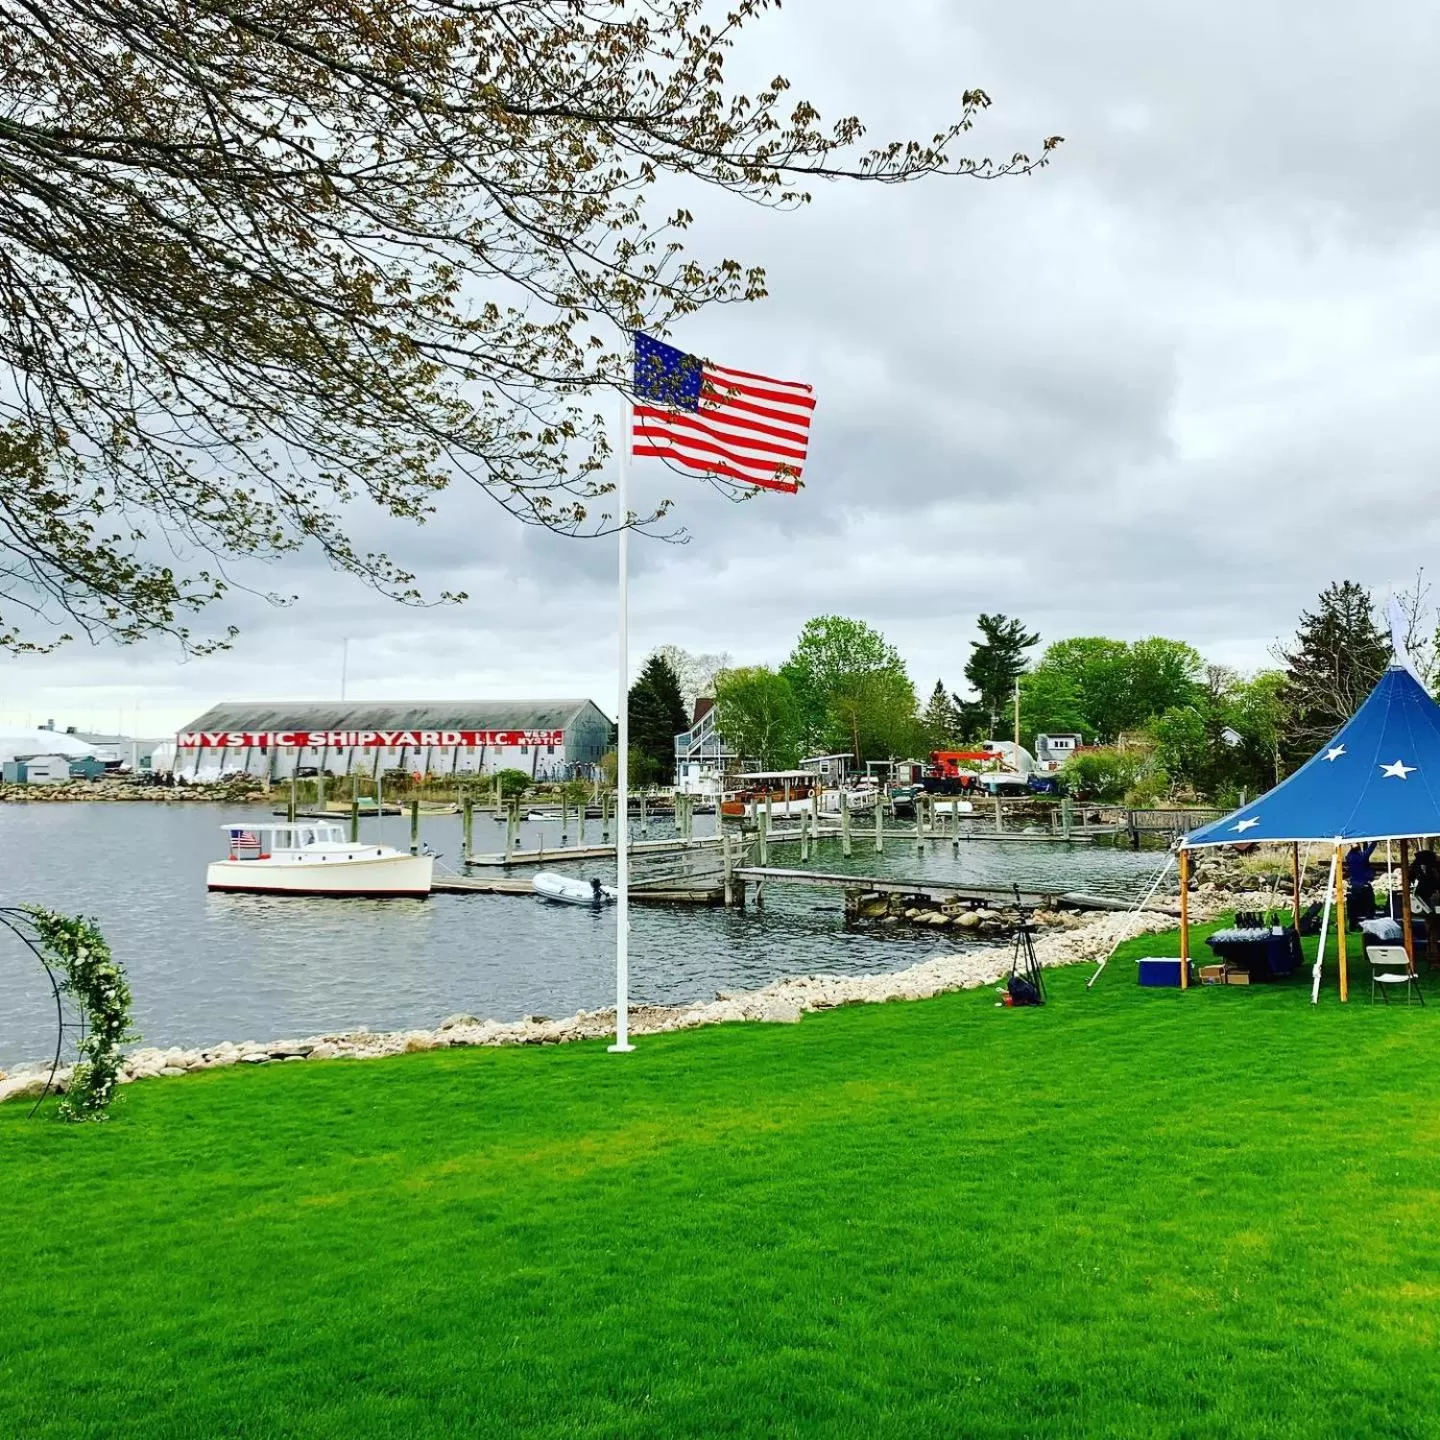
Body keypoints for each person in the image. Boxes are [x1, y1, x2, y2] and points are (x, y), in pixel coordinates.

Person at [1344, 841, 1377, 924]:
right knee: (1370, 906)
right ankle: (1369, 921)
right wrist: (1374, 840)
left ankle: (1354, 924)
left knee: (1354, 906)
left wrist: (1362, 843)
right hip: (1363, 884)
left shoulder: (1349, 857)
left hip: (1354, 885)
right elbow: (1370, 849)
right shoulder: (1362, 857)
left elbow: (1361, 851)